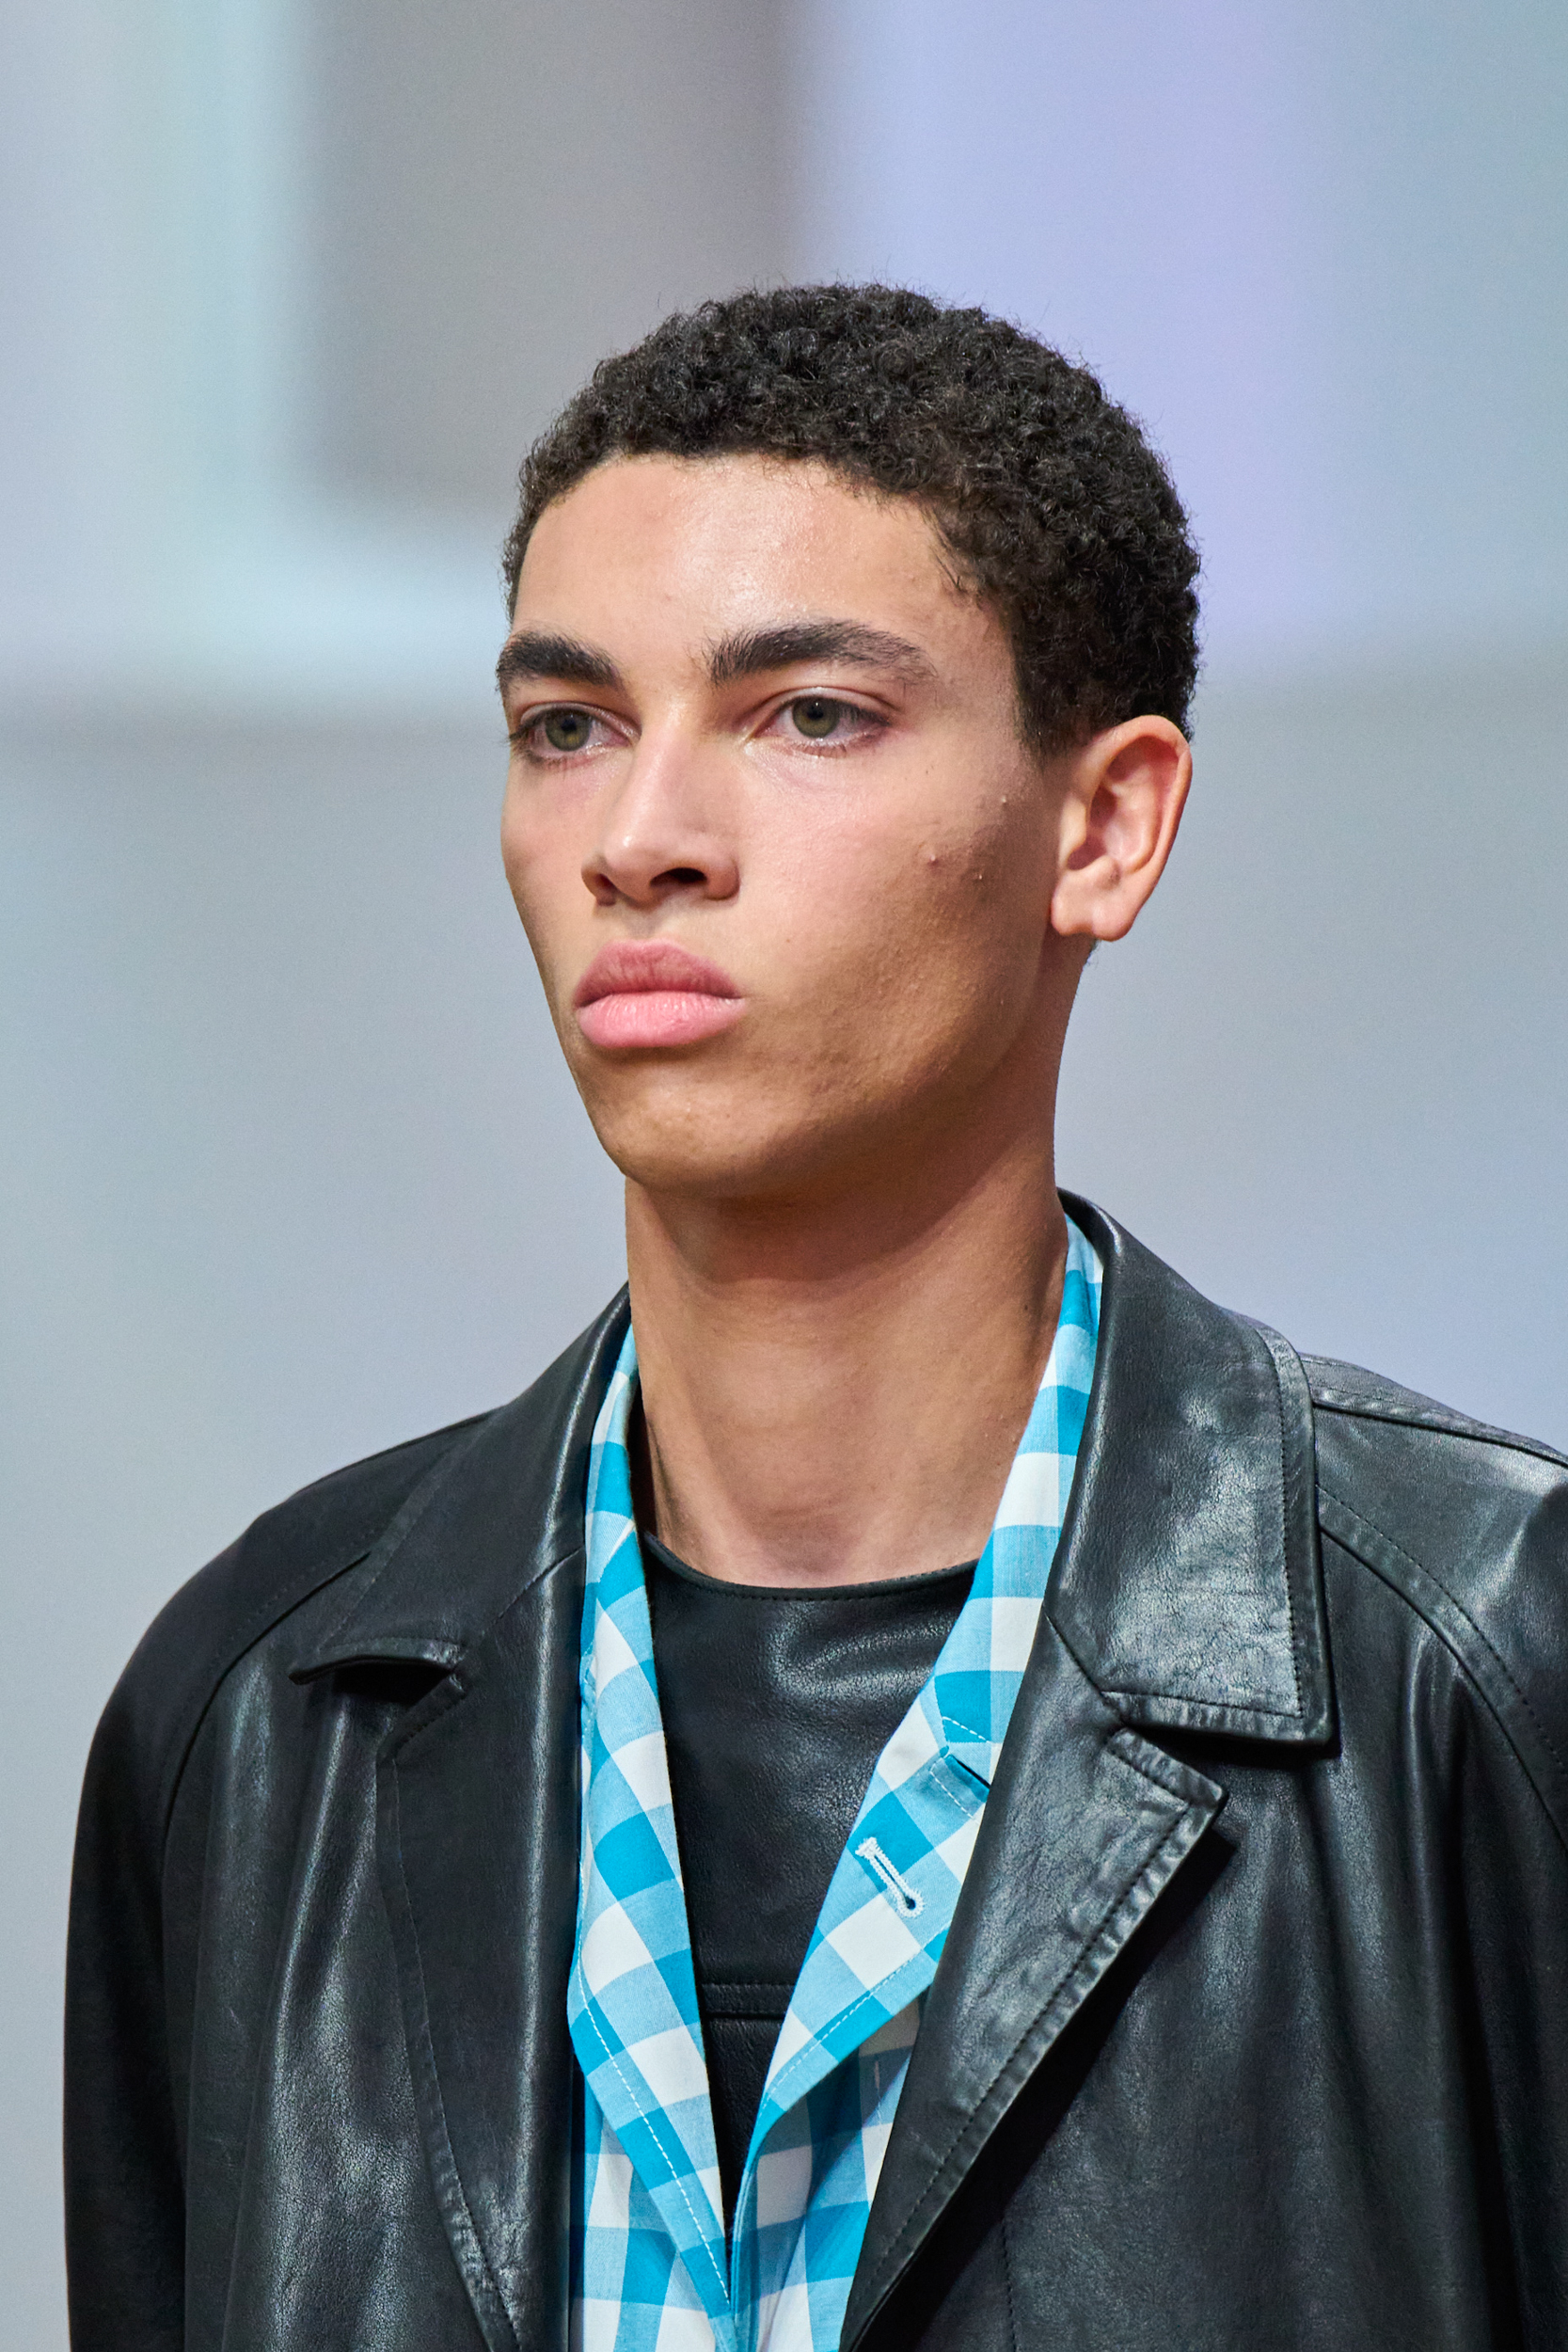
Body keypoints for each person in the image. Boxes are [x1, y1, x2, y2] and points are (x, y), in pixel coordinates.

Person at [65, 285, 1568, 2352]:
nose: (640, 840)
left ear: (1105, 824)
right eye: (568, 725)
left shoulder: (1488, 1656)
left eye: (810, 715)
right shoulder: (257, 1711)